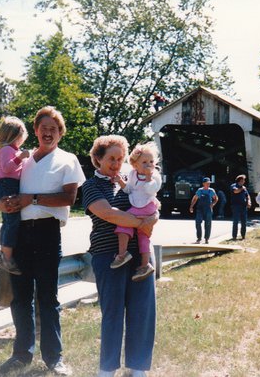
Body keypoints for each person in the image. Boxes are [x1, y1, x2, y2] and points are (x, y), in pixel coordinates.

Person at [0, 106, 85, 377]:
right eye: (43, 128)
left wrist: (31, 199)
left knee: (48, 298)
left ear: (60, 133)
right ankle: (21, 355)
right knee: (20, 298)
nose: (48, 133)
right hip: (19, 233)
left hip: (47, 232)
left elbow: (69, 198)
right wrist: (0, 203)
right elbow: (2, 186)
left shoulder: (67, 160)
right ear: (35, 131)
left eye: (53, 129)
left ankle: (54, 359)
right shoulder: (22, 159)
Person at [81, 135, 159, 377]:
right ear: (97, 159)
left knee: (142, 312)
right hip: (108, 255)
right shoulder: (91, 186)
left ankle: (138, 368)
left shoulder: (131, 180)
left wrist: (153, 218)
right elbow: (108, 213)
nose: (116, 163)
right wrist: (142, 222)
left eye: (120, 158)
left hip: (140, 256)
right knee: (113, 313)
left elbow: (154, 203)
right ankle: (107, 369)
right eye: (111, 159)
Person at [112, 142, 162, 282]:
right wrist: (121, 182)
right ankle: (145, 264)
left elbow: (150, 190)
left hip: (147, 206)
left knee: (123, 223)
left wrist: (148, 177)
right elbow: (129, 189)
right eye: (144, 162)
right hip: (138, 205)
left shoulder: (155, 175)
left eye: (151, 161)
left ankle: (122, 254)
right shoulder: (133, 174)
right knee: (143, 236)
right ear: (135, 164)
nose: (149, 165)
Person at [0, 116, 30, 275]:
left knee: (7, 221)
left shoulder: (9, 150)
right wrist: (20, 157)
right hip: (7, 185)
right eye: (21, 135)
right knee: (12, 221)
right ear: (13, 135)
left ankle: (3, 252)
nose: (22, 139)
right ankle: (7, 258)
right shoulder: (8, 149)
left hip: (6, 185)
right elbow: (7, 168)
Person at [189, 177, 218, 244]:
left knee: (208, 224)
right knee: (198, 223)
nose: (208, 184)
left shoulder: (211, 191)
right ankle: (199, 238)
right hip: (200, 209)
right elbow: (195, 198)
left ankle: (206, 239)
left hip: (208, 209)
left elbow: (216, 198)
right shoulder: (200, 190)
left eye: (209, 183)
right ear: (203, 184)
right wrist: (191, 206)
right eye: (207, 183)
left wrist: (213, 204)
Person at [229, 174, 249, 240]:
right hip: (236, 206)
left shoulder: (244, 187)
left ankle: (243, 236)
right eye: (243, 180)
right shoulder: (233, 186)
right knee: (236, 221)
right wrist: (241, 189)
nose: (244, 181)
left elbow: (247, 195)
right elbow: (235, 191)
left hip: (243, 206)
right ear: (240, 180)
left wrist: (249, 202)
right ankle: (234, 236)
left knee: (244, 222)